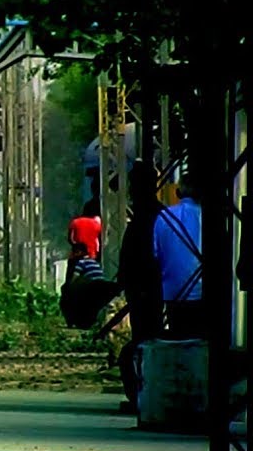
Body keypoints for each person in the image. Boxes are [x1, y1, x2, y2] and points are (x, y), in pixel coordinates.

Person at [114, 161, 165, 412]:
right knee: (143, 343)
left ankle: (143, 398)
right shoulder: (158, 215)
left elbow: (143, 256)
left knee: (143, 344)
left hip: (148, 292)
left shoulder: (149, 218)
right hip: (149, 290)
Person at [153, 172, 203, 339]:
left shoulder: (164, 216)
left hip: (172, 292)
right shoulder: (206, 217)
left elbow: (155, 254)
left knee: (177, 339)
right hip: (201, 292)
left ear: (178, 193)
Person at [60, 241, 121, 329]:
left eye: (74, 252)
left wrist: (68, 290)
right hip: (102, 285)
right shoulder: (94, 262)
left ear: (79, 252)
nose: (72, 255)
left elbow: (74, 279)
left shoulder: (81, 262)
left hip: (92, 286)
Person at [68, 199, 103, 263]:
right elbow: (101, 239)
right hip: (92, 255)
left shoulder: (75, 222)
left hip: (77, 255)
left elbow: (71, 239)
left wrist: (78, 247)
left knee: (72, 270)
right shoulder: (96, 224)